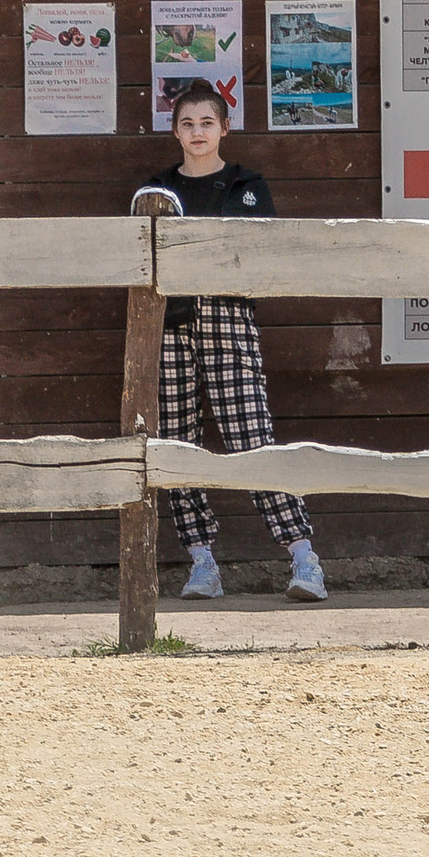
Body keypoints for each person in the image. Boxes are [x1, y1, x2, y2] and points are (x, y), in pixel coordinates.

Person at [135, 81, 328, 603]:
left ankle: (303, 556)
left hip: (229, 315)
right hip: (170, 320)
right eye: (187, 124)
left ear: (224, 127)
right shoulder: (156, 190)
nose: (197, 132)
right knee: (177, 442)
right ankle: (202, 562)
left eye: (206, 123)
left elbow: (259, 253)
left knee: (252, 437)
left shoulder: (247, 184)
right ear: (175, 131)